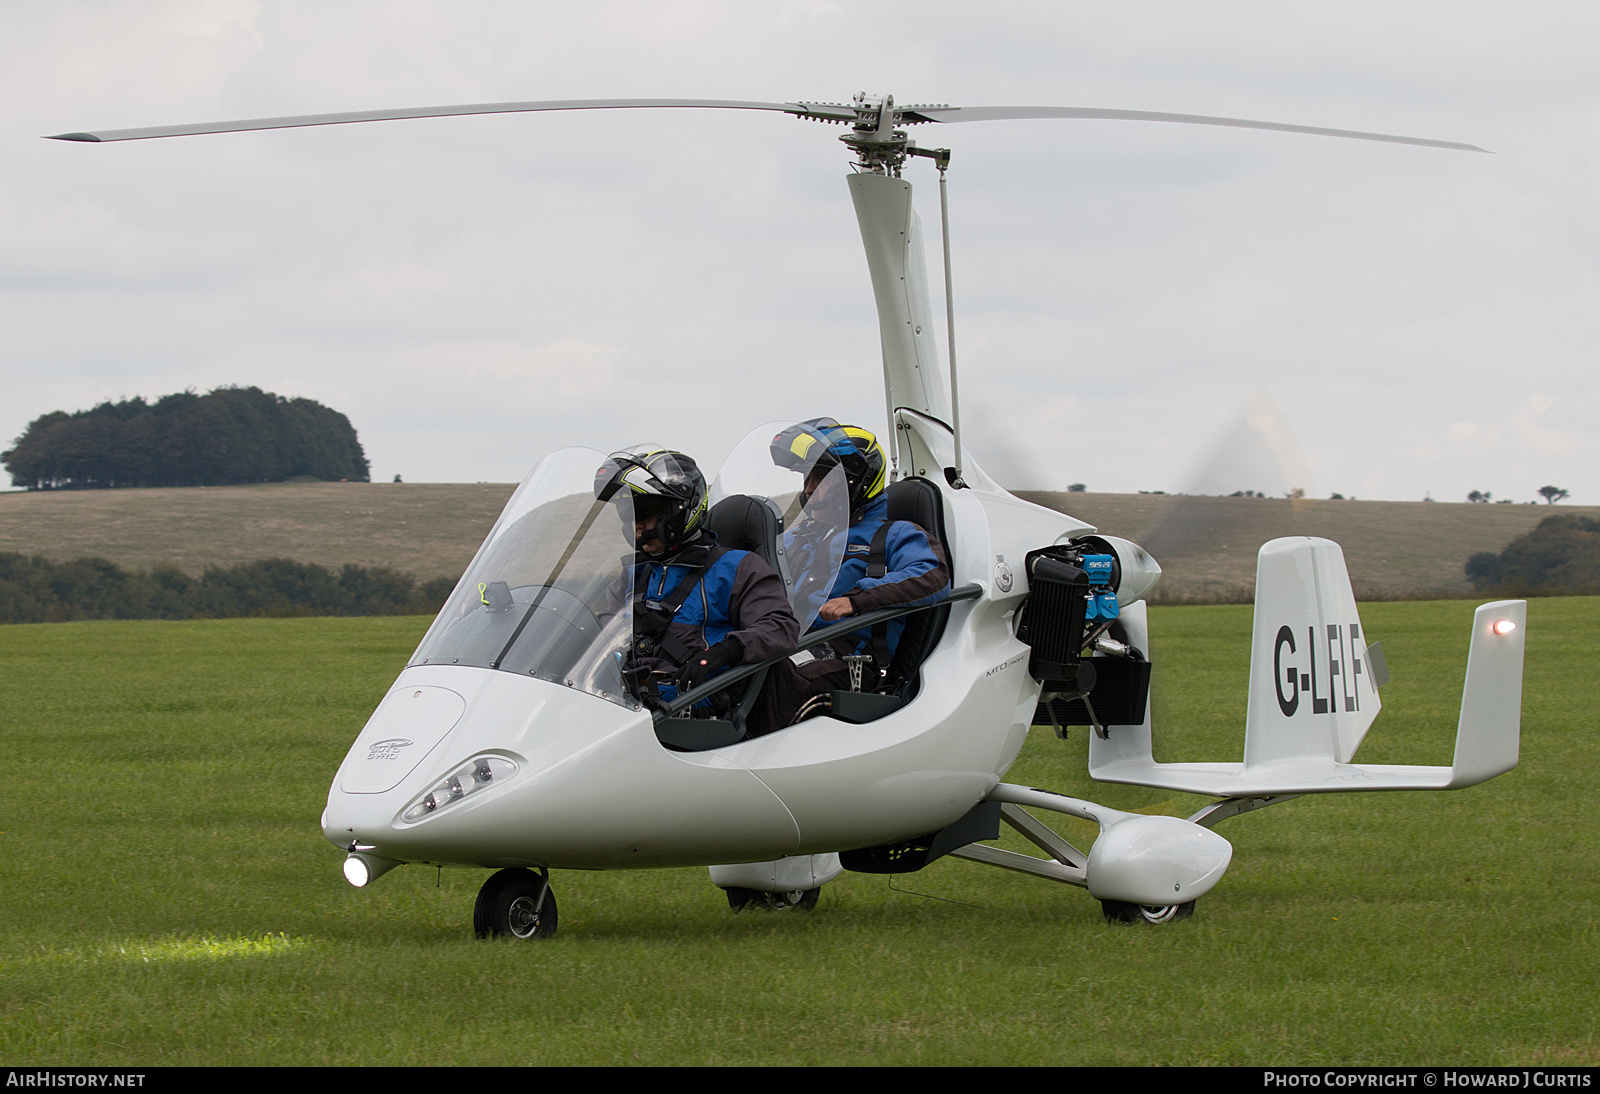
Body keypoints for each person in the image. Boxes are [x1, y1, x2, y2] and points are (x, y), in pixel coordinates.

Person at [759, 419, 951, 730]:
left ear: (856, 481)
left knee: (775, 677)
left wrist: (857, 600)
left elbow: (932, 576)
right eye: (809, 479)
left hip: (854, 660)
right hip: (791, 641)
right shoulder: (799, 536)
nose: (810, 491)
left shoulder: (896, 533)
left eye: (823, 480)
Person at [593, 447, 799, 719]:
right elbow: (602, 635)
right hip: (623, 705)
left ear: (679, 510)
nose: (636, 526)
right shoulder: (635, 573)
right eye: (628, 513)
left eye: (644, 511)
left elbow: (781, 627)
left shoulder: (737, 567)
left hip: (694, 713)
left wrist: (725, 651)